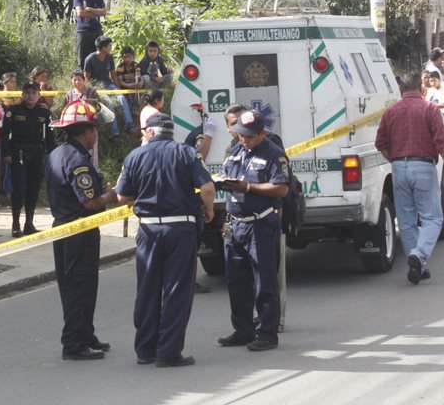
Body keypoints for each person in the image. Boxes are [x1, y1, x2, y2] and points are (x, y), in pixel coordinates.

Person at [114, 114, 215, 367]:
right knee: (177, 290)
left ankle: (145, 349)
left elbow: (122, 196)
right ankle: (168, 352)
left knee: (148, 289)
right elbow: (208, 188)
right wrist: (209, 210)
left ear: (149, 132)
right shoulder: (187, 153)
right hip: (181, 228)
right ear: (171, 132)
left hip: (148, 231)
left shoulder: (134, 156)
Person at [45, 100, 119, 361]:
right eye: (95, 130)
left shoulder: (57, 153)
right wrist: (110, 196)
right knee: (80, 285)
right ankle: (74, 343)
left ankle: (85, 334)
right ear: (86, 131)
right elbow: (88, 202)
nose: (96, 135)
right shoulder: (77, 160)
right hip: (79, 230)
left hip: (64, 229)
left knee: (78, 283)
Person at [217, 109, 289, 352]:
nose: (243, 139)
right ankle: (243, 329)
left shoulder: (274, 154)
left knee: (265, 280)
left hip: (260, 224)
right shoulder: (236, 149)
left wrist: (249, 187)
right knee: (236, 280)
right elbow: (227, 173)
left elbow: (281, 189)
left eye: (248, 136)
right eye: (240, 135)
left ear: (261, 133)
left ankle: (267, 333)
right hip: (235, 223)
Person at [375, 72, 444, 285]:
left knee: (406, 219)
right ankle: (419, 255)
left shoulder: (390, 112)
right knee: (433, 218)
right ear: (421, 89)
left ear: (401, 90)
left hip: (399, 167)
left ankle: (419, 267)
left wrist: (394, 158)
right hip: (423, 165)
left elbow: (380, 142)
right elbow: (442, 142)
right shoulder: (429, 109)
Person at [2, 81, 56, 237]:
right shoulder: (13, 111)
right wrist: (6, 154)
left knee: (33, 188)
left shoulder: (44, 113)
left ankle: (29, 224)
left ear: (38, 95)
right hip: (18, 153)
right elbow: (5, 134)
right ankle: (15, 224)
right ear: (22, 95)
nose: (30, 95)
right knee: (19, 188)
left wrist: (53, 156)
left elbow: (50, 137)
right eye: (27, 92)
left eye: (33, 93)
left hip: (37, 154)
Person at [73, 0, 107, 66]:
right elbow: (80, 13)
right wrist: (97, 12)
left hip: (97, 30)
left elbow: (103, 12)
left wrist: (90, 9)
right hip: (83, 31)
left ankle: (97, 78)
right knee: (83, 58)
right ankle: (83, 78)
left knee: (99, 56)